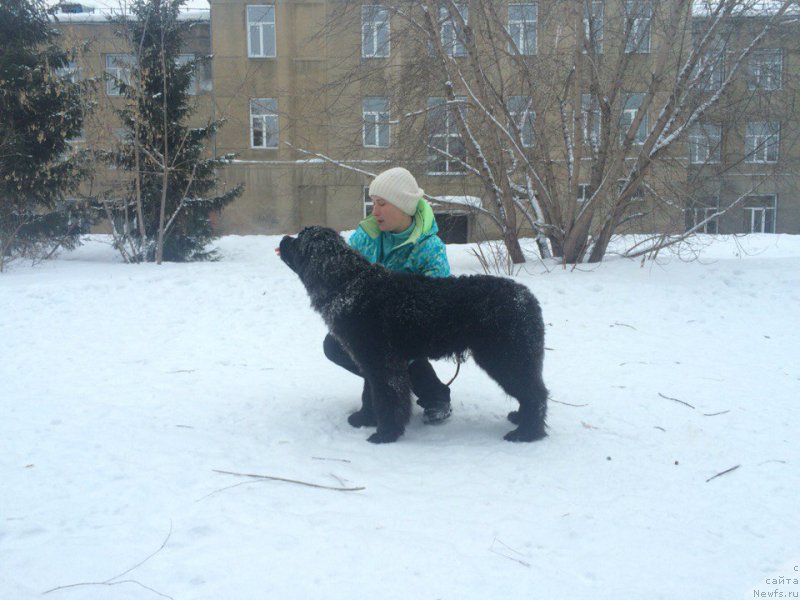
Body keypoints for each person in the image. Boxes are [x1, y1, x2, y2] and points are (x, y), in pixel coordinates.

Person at [323, 166, 453, 424]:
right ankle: (388, 384)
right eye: (373, 203)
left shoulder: (429, 247)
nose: (375, 211)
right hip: (369, 324)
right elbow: (343, 270)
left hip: (408, 329)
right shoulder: (366, 236)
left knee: (399, 351)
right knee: (335, 345)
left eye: (382, 203)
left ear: (404, 206)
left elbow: (439, 299)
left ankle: (436, 395)